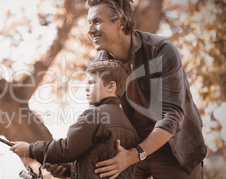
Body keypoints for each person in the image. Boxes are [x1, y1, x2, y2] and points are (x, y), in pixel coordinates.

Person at [46, 0, 207, 178]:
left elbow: (172, 116)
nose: (90, 30)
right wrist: (72, 164)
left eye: (97, 21)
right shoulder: (100, 65)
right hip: (129, 147)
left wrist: (134, 155)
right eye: (89, 23)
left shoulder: (160, 50)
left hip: (174, 149)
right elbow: (98, 122)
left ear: (121, 22)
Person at [10, 60, 140, 178]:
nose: (87, 88)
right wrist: (69, 170)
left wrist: (30, 149)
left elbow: (67, 148)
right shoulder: (132, 130)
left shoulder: (95, 115)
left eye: (92, 83)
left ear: (111, 86)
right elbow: (99, 168)